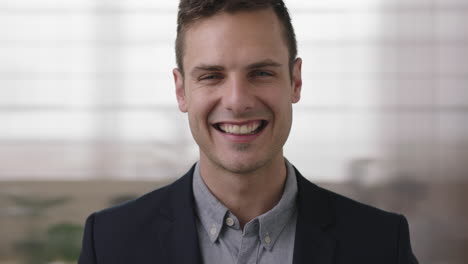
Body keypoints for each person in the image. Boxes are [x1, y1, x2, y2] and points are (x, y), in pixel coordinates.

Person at [78, 0, 419, 263]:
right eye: (211, 76)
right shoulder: (110, 242)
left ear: (295, 81)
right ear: (181, 91)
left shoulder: (382, 244)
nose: (237, 101)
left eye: (261, 73)